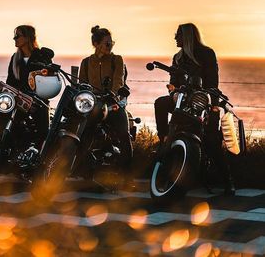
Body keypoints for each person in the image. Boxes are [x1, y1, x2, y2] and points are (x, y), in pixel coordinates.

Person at [154, 22, 235, 195]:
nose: (175, 37)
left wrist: (212, 103)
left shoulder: (206, 53)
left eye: (178, 34)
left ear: (187, 37)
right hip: (182, 100)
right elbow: (172, 83)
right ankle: (164, 138)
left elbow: (213, 82)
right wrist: (173, 93)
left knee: (212, 141)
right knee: (160, 103)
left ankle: (228, 181)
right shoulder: (177, 57)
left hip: (202, 100)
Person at [79, 25, 134, 188]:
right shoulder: (87, 62)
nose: (110, 46)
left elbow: (119, 80)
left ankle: (127, 177)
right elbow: (82, 84)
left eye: (111, 43)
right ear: (96, 43)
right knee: (84, 133)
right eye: (107, 43)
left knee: (124, 134)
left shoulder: (117, 59)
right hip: (93, 105)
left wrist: (113, 94)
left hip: (113, 103)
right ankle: (85, 172)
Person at [6, 25, 54, 140]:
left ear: (28, 38)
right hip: (19, 102)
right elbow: (10, 82)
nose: (14, 38)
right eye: (14, 36)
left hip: (39, 102)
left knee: (43, 135)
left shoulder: (42, 56)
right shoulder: (15, 58)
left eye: (18, 36)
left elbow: (49, 79)